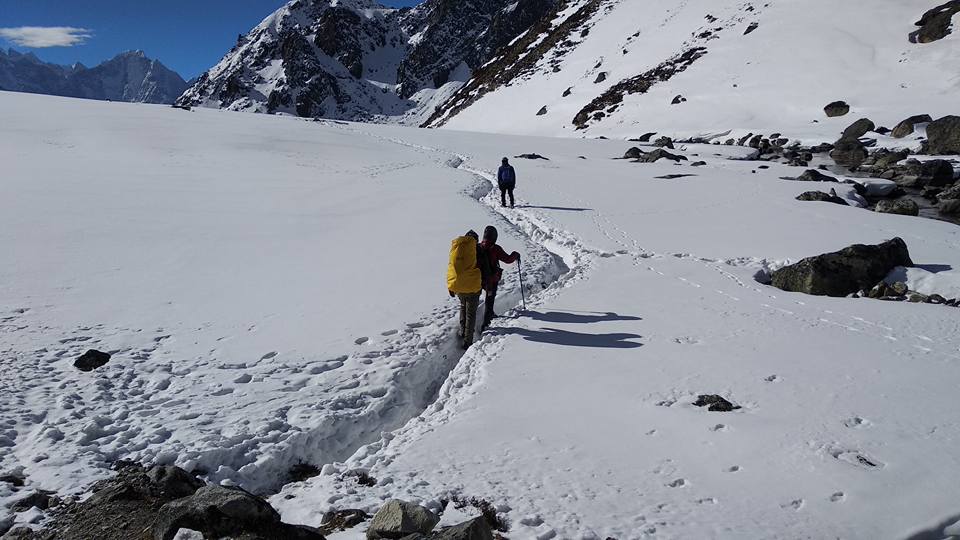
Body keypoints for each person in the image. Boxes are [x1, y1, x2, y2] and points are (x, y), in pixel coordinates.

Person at [447, 230, 490, 349]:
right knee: (471, 314)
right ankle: (468, 341)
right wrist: (487, 285)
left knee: (463, 307)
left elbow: (451, 267)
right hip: (473, 287)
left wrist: (450, 286)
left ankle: (462, 331)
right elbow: (485, 268)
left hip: (459, 286)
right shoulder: (478, 250)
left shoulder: (458, 249)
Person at [479, 225, 520, 331]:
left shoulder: (478, 246)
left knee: (484, 300)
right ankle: (486, 324)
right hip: (491, 280)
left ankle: (486, 317)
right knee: (489, 300)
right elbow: (507, 259)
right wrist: (515, 255)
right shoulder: (495, 248)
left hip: (478, 279)